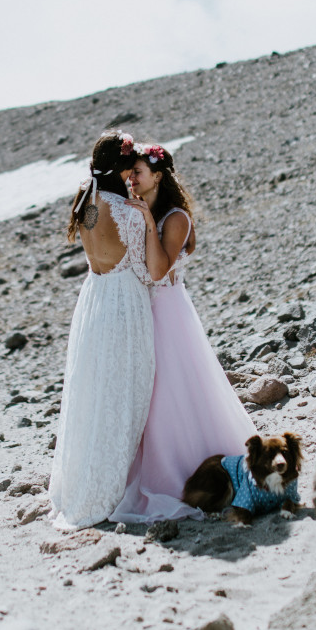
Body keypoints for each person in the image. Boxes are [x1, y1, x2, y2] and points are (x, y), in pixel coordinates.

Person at [110, 141, 256, 523]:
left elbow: (158, 271)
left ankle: (182, 475)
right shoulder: (146, 210)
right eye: (130, 173)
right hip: (146, 314)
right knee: (150, 394)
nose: (132, 179)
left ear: (157, 176)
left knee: (168, 395)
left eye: (138, 172)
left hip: (169, 314)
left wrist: (144, 221)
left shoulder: (175, 218)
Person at [47, 131, 170, 530]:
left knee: (91, 392)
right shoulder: (129, 213)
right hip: (123, 304)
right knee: (123, 393)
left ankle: (79, 481)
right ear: (120, 169)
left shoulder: (85, 198)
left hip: (93, 299)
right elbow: (148, 273)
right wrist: (151, 225)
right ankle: (110, 490)